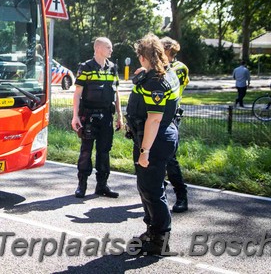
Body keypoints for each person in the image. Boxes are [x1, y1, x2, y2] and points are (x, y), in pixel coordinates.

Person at [125, 33, 180, 255]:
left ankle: (160, 239)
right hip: (154, 137)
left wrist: (145, 151)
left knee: (152, 189)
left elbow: (155, 118)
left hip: (154, 140)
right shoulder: (162, 74)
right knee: (148, 186)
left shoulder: (156, 82)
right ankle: (152, 231)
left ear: (142, 56)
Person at [71, 37, 123, 198]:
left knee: (104, 151)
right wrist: (75, 117)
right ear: (98, 48)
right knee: (86, 151)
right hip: (89, 116)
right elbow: (77, 94)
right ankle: (82, 185)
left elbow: (116, 94)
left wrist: (119, 115)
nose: (111, 50)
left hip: (107, 115)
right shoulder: (86, 67)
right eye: (108, 47)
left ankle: (102, 185)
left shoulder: (112, 68)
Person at [160, 37, 189, 213]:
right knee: (155, 158)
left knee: (170, 158)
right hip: (155, 116)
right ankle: (158, 192)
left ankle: (181, 196)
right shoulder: (160, 67)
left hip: (170, 117)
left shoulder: (179, 68)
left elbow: (171, 88)